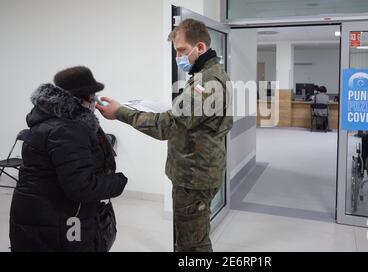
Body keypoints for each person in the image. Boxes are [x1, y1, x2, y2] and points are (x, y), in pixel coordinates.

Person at [97, 19, 233, 252]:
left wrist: (120, 112)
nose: (178, 57)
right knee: (190, 237)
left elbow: (166, 126)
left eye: (181, 50)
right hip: (199, 170)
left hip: (195, 176)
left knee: (193, 245)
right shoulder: (210, 74)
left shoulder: (207, 82)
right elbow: (190, 119)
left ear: (200, 47)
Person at [9, 66, 128, 252]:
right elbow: (82, 188)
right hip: (56, 222)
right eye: (94, 95)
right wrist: (118, 182)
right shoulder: (67, 130)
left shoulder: (50, 121)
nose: (95, 101)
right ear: (85, 97)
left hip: (39, 216)